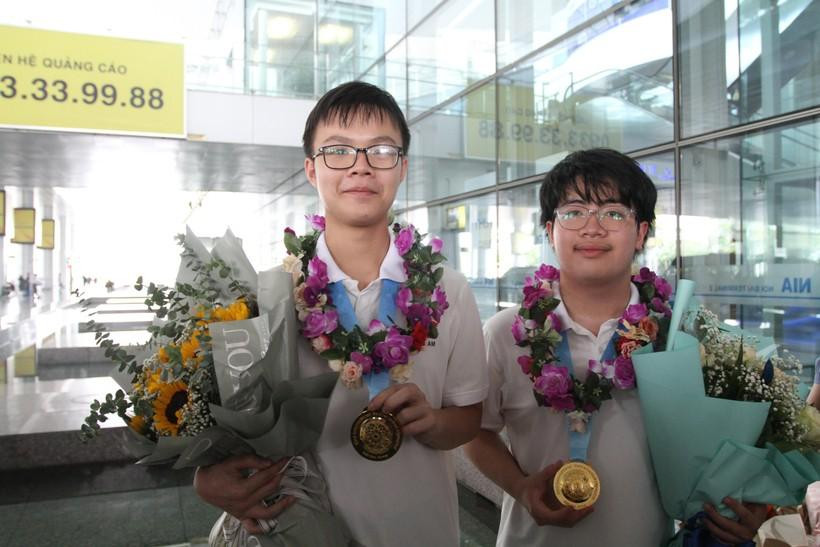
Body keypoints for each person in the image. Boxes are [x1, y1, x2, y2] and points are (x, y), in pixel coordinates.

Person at [194, 81, 488, 546]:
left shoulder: (448, 291)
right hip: (302, 531)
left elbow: (469, 419)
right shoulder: (264, 297)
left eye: (381, 151)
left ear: (403, 167)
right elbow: (221, 428)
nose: (360, 167)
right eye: (338, 151)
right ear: (311, 169)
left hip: (421, 531)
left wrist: (433, 422)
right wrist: (207, 480)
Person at [464, 148, 767, 546]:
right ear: (550, 230)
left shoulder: (679, 335)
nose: (592, 228)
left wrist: (750, 504)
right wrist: (520, 488)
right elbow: (475, 432)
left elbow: (732, 441)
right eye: (574, 212)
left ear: (641, 231)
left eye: (613, 212)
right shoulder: (505, 332)